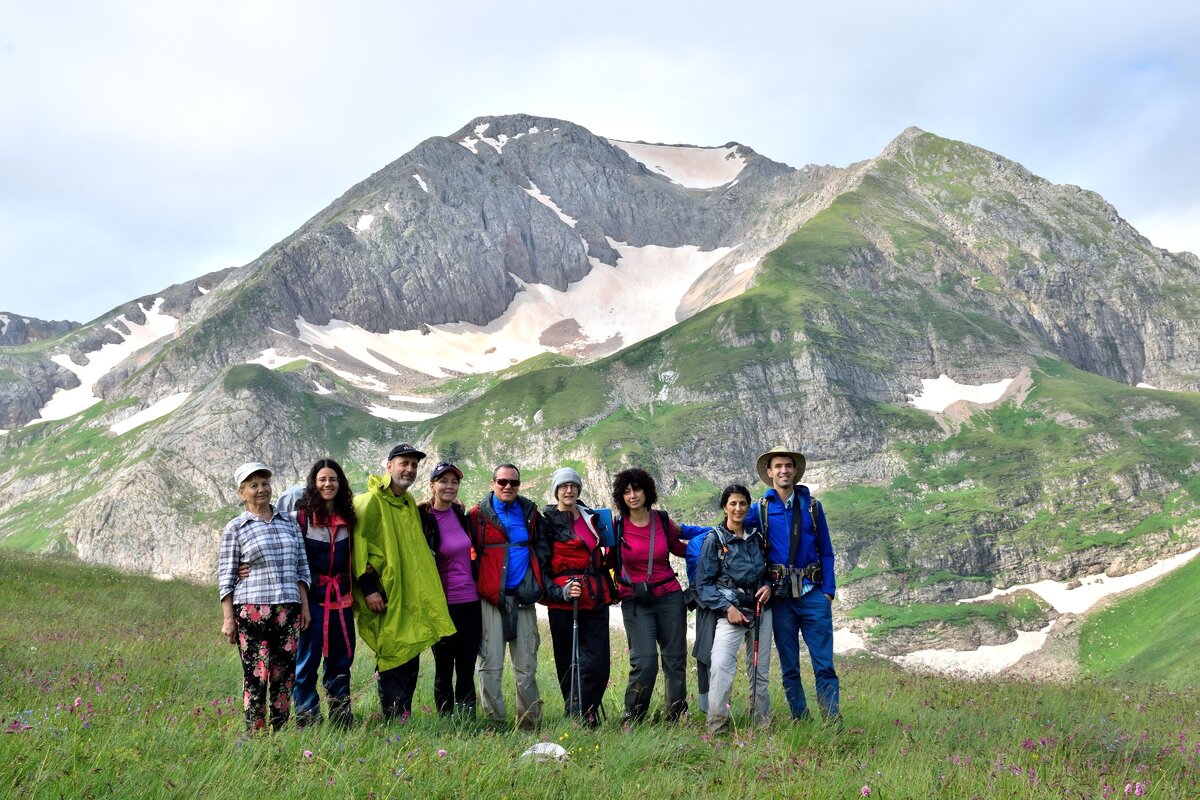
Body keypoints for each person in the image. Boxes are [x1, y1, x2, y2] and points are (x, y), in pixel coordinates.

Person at [353, 443, 456, 721]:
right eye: (404, 464)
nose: (409, 469)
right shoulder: (370, 502)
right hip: (384, 597)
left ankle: (402, 716)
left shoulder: (407, 502)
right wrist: (369, 589)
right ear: (389, 466)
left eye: (413, 465)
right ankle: (392, 717)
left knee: (409, 655)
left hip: (408, 597)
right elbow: (359, 548)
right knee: (392, 653)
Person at [745, 445, 839, 724]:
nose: (784, 470)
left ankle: (833, 722)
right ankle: (802, 720)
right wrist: (682, 532)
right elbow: (730, 526)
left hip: (813, 596)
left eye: (788, 465)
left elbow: (827, 551)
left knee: (824, 665)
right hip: (782, 599)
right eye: (778, 466)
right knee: (790, 666)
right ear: (770, 472)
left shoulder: (812, 507)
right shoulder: (759, 510)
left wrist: (828, 593)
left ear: (795, 471)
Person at [218, 462, 312, 732]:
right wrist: (228, 619)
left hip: (289, 608)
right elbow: (226, 575)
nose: (261, 489)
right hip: (252, 609)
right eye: (253, 485)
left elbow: (301, 567)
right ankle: (254, 731)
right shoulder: (236, 527)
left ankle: (280, 730)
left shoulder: (289, 522)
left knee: (284, 674)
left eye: (265, 483)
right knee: (256, 674)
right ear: (242, 493)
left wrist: (304, 606)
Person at [537, 467, 618, 726]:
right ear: (556, 491)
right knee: (567, 658)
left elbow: (606, 556)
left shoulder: (593, 518)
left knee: (599, 661)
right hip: (564, 600)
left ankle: (587, 709)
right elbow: (541, 566)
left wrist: (613, 586)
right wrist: (560, 590)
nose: (568, 490)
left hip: (595, 595)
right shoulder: (546, 523)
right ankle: (578, 712)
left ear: (579, 489)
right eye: (563, 486)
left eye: (573, 485)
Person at [468, 463, 545, 728]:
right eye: (502, 482)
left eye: (513, 483)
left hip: (523, 598)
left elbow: (543, 548)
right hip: (490, 600)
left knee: (526, 667)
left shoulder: (530, 513)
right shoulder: (477, 515)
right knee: (490, 667)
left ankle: (529, 724)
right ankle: (495, 724)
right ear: (492, 483)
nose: (508, 487)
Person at [612, 467, 689, 723]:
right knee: (644, 662)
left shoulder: (662, 520)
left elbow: (680, 549)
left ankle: (675, 716)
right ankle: (633, 717)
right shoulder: (617, 526)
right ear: (621, 497)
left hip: (670, 596)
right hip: (635, 600)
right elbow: (605, 560)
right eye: (626, 491)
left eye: (637, 489)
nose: (632, 495)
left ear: (647, 490)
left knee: (675, 660)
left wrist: (717, 538)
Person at [694, 484, 772, 733]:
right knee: (720, 666)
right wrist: (727, 608)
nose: (738, 508)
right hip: (731, 614)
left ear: (748, 506)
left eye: (742, 503)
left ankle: (761, 723)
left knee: (759, 669)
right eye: (733, 504)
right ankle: (717, 726)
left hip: (760, 609)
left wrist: (769, 585)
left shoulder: (757, 538)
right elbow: (703, 584)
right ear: (725, 507)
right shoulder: (714, 540)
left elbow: (770, 570)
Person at [292, 458, 358, 727]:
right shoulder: (302, 518)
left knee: (341, 662)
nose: (327, 484)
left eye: (332, 479)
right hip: (313, 601)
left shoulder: (349, 518)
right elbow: (296, 561)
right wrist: (304, 605)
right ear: (314, 484)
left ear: (339, 483)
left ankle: (342, 719)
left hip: (341, 600)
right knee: (306, 663)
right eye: (322, 480)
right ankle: (308, 720)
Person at [418, 461, 481, 718]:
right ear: (432, 485)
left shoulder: (459, 515)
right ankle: (446, 719)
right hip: (443, 604)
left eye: (454, 482)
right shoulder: (423, 518)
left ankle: (467, 718)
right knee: (444, 667)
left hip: (470, 601)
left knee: (467, 666)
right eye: (443, 481)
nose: (449, 486)